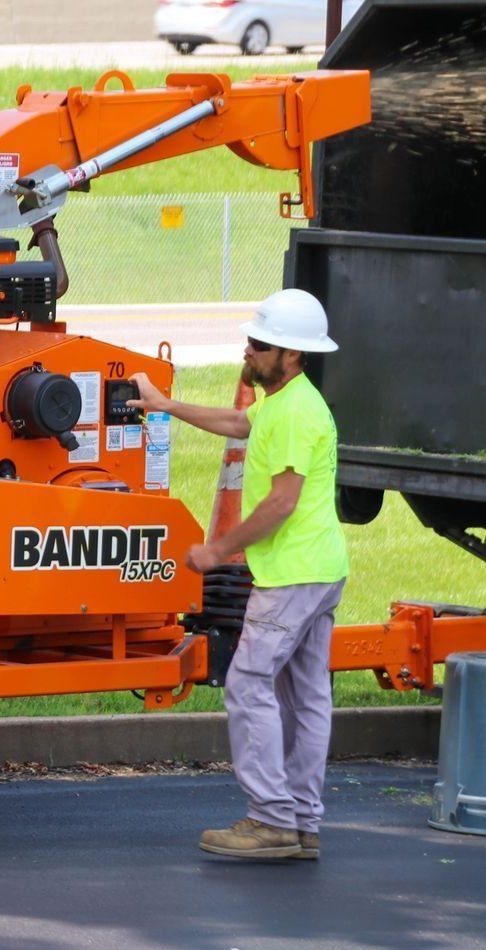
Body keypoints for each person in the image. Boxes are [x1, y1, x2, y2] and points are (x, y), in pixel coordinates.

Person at [130, 288, 349, 862]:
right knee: (304, 698)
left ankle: (271, 820)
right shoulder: (283, 401)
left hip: (292, 576)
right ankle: (301, 824)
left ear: (293, 355)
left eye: (261, 344)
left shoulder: (298, 412)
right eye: (251, 340)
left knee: (248, 683)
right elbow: (235, 420)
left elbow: (281, 502)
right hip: (317, 570)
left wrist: (216, 550)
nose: (248, 350)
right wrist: (165, 405)